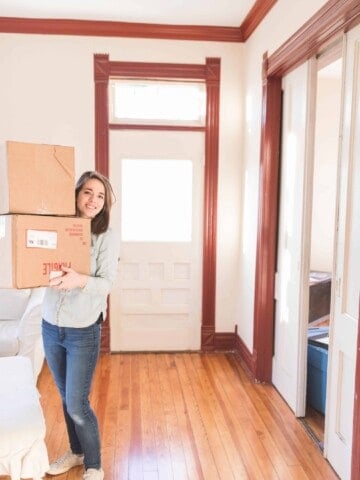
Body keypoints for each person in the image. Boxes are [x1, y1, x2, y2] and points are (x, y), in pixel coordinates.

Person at [42, 171, 119, 480]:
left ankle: (94, 464)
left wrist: (79, 280)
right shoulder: (57, 229)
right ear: (76, 195)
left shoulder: (107, 236)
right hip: (50, 324)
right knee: (64, 397)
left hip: (82, 330)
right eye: (88, 193)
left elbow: (107, 283)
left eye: (100, 196)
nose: (93, 201)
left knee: (77, 402)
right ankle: (76, 452)